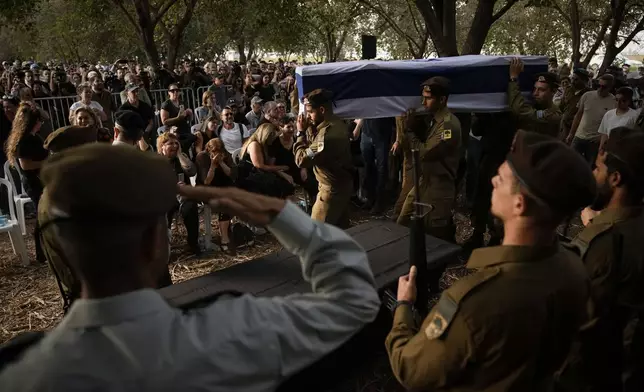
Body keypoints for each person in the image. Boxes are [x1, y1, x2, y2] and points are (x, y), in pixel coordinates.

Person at [0, 144, 380, 391]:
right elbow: (356, 301)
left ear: (63, 249)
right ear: (154, 241)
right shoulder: (234, 333)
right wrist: (279, 213)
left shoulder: (22, 378)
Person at [386, 130, 597, 391]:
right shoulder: (575, 266)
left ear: (520, 204)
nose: (494, 181)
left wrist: (404, 306)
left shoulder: (477, 303)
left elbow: (411, 369)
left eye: (502, 178)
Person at [559, 127, 644, 392]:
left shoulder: (600, 244)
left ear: (616, 178)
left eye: (597, 169)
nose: (592, 175)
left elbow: (577, 328)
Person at [396, 77, 461, 242]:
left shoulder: (448, 125)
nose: (423, 102)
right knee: (402, 224)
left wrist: (409, 131)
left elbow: (424, 152)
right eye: (422, 97)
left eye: (428, 98)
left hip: (438, 189)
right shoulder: (434, 120)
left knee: (433, 239)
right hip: (423, 183)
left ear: (442, 100)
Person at [295, 89, 354, 228]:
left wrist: (300, 132)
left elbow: (301, 160)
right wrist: (309, 127)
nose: (308, 117)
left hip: (331, 191)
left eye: (310, 112)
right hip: (341, 185)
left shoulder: (327, 137)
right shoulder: (336, 123)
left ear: (321, 110)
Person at [4, 102, 48, 262]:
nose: (41, 124)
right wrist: (49, 161)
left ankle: (44, 251)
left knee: (44, 215)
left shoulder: (33, 137)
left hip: (40, 180)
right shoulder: (24, 141)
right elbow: (26, 165)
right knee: (42, 216)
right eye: (38, 121)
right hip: (34, 182)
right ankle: (41, 252)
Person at [157, 132, 200, 256]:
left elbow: (192, 172)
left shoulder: (181, 158)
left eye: (177, 143)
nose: (175, 146)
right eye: (170, 143)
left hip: (183, 197)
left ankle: (193, 244)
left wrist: (180, 154)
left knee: (190, 207)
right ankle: (165, 248)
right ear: (162, 147)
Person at [195, 138, 236, 252]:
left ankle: (227, 230)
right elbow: (206, 181)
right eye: (214, 151)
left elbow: (231, 174)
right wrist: (213, 165)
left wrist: (222, 162)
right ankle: (224, 238)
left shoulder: (225, 155)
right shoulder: (202, 157)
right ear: (208, 149)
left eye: (219, 150)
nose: (217, 153)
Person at [566, 74, 616, 165]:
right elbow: (578, 115)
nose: (600, 89)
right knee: (570, 162)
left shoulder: (613, 102)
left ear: (610, 87)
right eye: (598, 85)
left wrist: (602, 140)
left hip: (595, 141)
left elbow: (611, 124)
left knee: (590, 166)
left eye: (604, 87)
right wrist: (571, 133)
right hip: (579, 137)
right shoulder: (587, 96)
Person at [507, 58, 561, 138]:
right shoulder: (535, 106)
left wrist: (513, 78)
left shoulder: (554, 115)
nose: (535, 93)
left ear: (553, 91)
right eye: (535, 89)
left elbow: (520, 109)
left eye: (541, 90)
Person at [598, 87, 639, 151]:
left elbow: (637, 138)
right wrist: (601, 148)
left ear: (629, 101)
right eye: (616, 100)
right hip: (609, 150)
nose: (618, 103)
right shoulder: (609, 114)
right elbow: (604, 133)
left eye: (623, 100)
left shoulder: (635, 116)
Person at [160, 84, 194, 153]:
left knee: (196, 137)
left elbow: (189, 118)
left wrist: (190, 113)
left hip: (184, 128)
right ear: (169, 92)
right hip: (173, 129)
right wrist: (177, 118)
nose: (175, 92)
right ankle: (181, 154)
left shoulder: (182, 102)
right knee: (184, 140)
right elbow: (164, 121)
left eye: (177, 90)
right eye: (173, 91)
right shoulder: (166, 104)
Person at [560, 68, 592, 140]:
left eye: (576, 80)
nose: (573, 82)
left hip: (577, 130)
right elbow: (561, 106)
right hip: (564, 126)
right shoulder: (568, 90)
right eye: (572, 79)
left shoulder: (589, 94)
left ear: (584, 81)